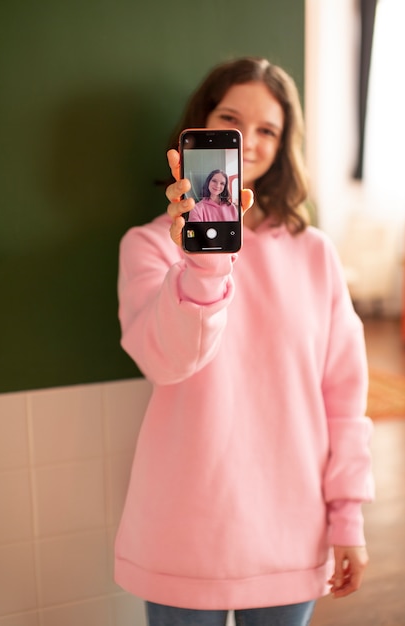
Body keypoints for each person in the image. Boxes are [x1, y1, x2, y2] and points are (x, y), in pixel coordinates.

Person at [115, 57, 374, 626]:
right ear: (201, 126)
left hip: (290, 526)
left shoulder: (316, 254)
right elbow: (169, 361)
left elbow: (344, 400)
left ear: (283, 147)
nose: (248, 143)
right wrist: (204, 265)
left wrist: (347, 519)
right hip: (184, 526)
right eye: (231, 121)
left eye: (268, 130)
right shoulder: (148, 247)